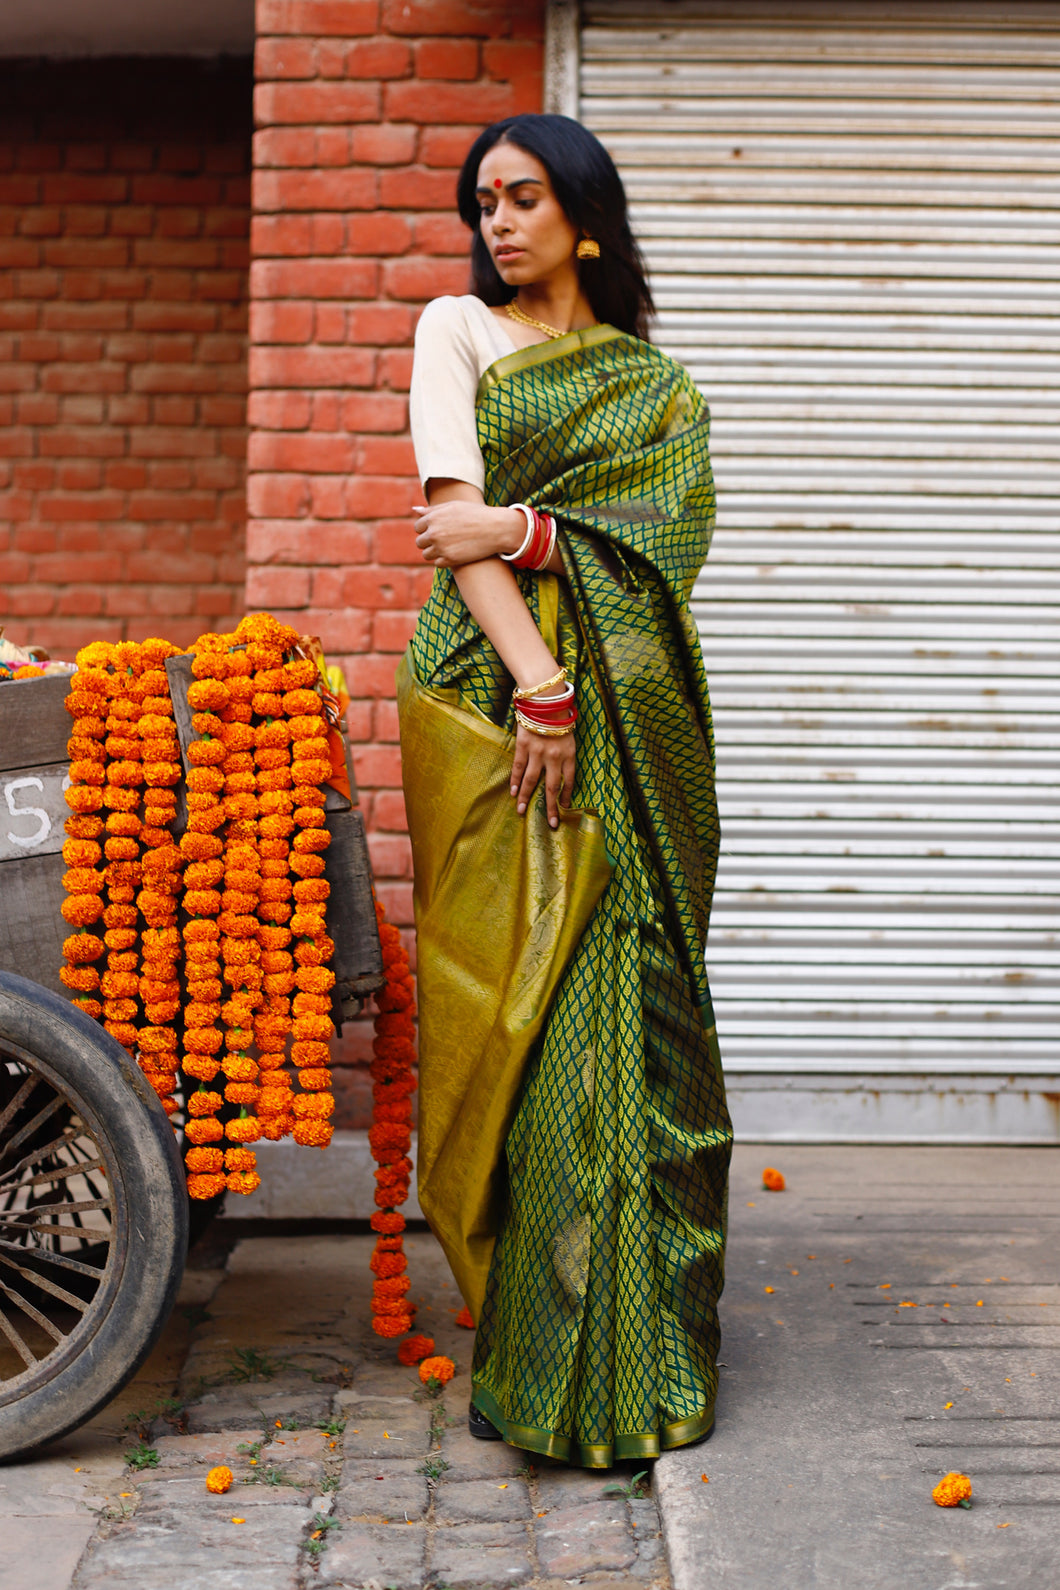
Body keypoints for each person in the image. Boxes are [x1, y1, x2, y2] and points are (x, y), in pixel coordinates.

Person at [398, 112, 732, 1470]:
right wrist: (538, 680)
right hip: (495, 698)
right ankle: (544, 1353)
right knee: (525, 1019)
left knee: (634, 1017)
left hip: (631, 722)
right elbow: (446, 519)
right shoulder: (455, 331)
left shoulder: (654, 386)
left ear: (585, 215)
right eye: (484, 202)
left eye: (524, 198)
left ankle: (648, 1347)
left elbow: (670, 544)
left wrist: (529, 529)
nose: (498, 222)